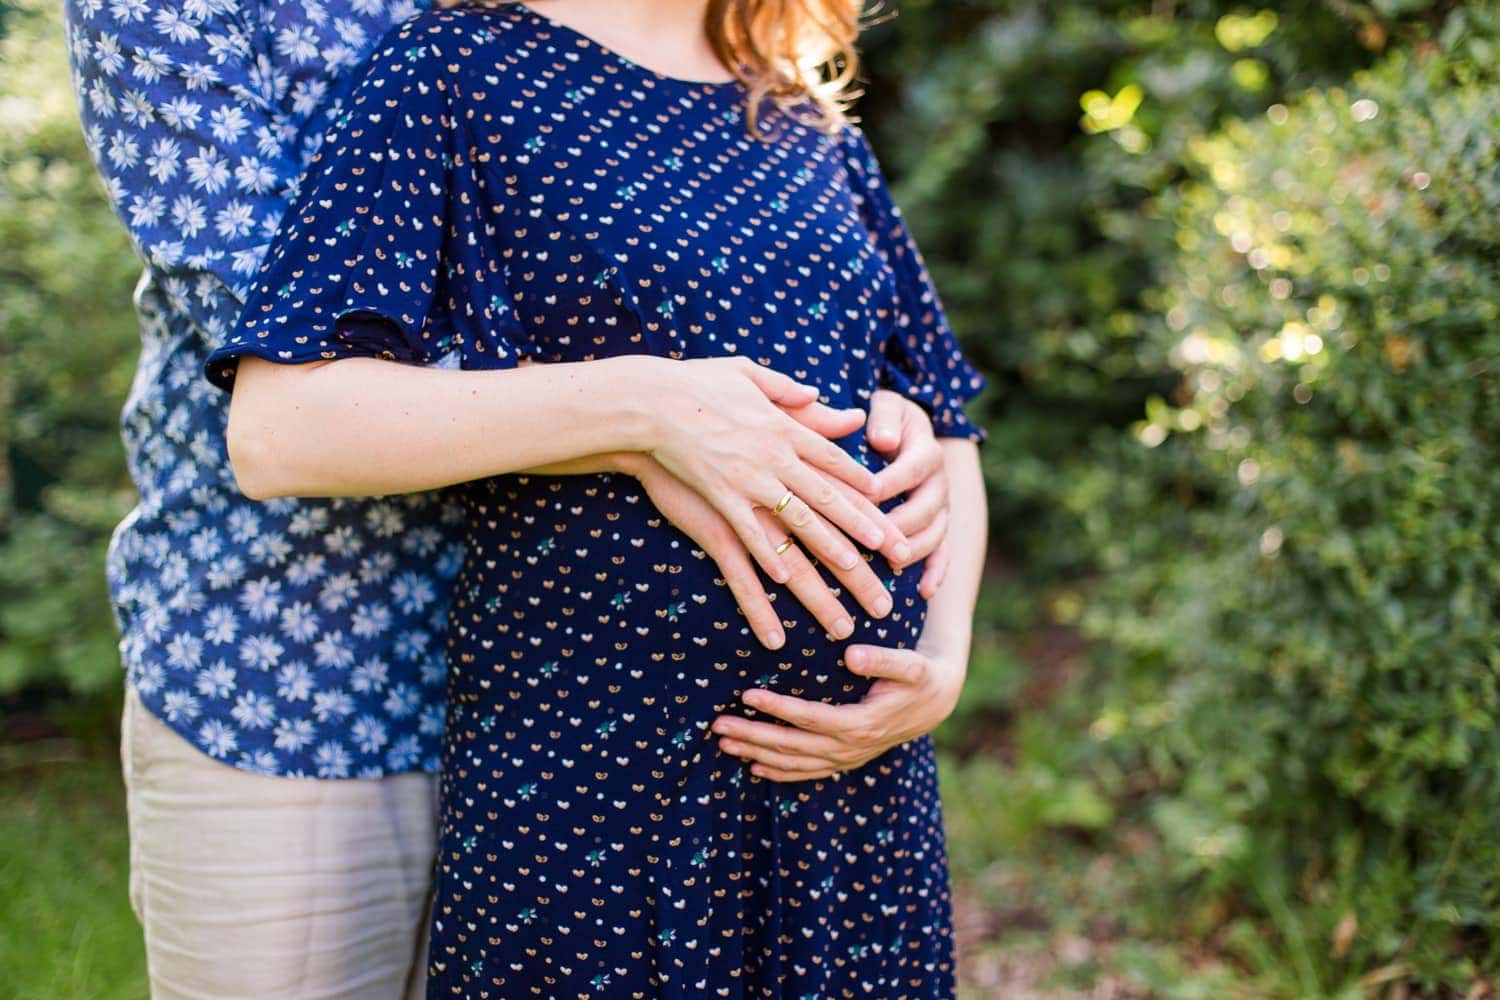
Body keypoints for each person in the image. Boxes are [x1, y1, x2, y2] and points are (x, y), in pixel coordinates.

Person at [61, 0, 980, 994]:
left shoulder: (807, 121)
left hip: (847, 816)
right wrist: (642, 409)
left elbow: (942, 415)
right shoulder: (456, 69)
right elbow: (280, 405)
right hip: (571, 784)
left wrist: (941, 657)